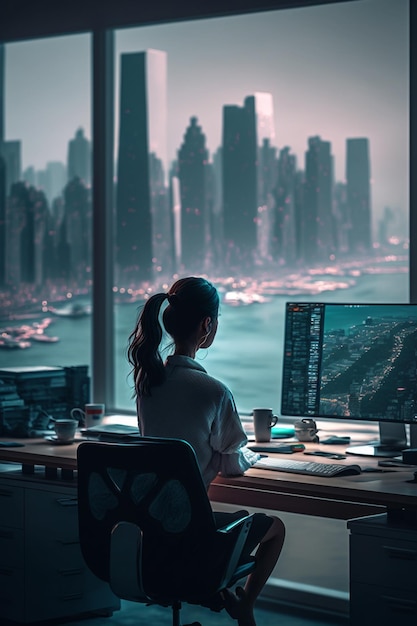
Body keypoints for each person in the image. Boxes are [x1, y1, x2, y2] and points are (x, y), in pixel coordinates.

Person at [127, 276, 285, 626]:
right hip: (191, 535)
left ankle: (218, 592)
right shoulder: (214, 391)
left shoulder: (147, 384)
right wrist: (251, 455)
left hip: (152, 529)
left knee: (239, 520)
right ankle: (245, 603)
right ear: (207, 325)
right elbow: (231, 468)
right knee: (275, 528)